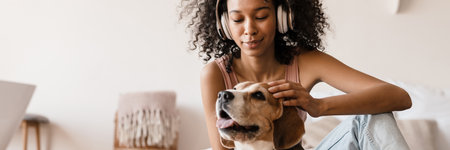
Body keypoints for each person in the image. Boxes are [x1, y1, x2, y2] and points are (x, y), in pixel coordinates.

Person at [179, 0, 412, 149]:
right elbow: (223, 146)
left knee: (374, 116)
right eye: (238, 19)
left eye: (260, 16)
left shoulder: (306, 61)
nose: (249, 29)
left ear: (282, 17)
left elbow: (399, 96)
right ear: (224, 24)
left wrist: (317, 105)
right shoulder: (215, 73)